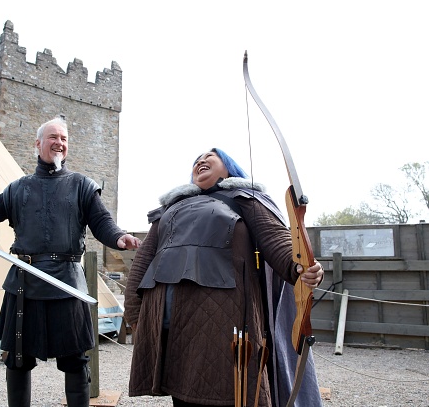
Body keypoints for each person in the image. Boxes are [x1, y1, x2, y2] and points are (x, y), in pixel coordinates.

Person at [0, 116, 141, 407]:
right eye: (53, 137)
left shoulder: (82, 186)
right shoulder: (18, 188)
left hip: (66, 282)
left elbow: (101, 221)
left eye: (64, 138)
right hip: (24, 281)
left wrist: (118, 238)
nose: (59, 143)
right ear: (38, 144)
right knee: (17, 359)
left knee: (75, 360)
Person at [124, 148, 324, 407]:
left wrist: (300, 267)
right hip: (168, 320)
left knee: (227, 395)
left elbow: (277, 240)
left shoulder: (246, 198)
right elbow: (144, 262)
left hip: (224, 319)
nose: (201, 160)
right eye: (197, 159)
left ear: (228, 167)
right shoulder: (172, 207)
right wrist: (135, 314)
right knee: (181, 396)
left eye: (210, 156)